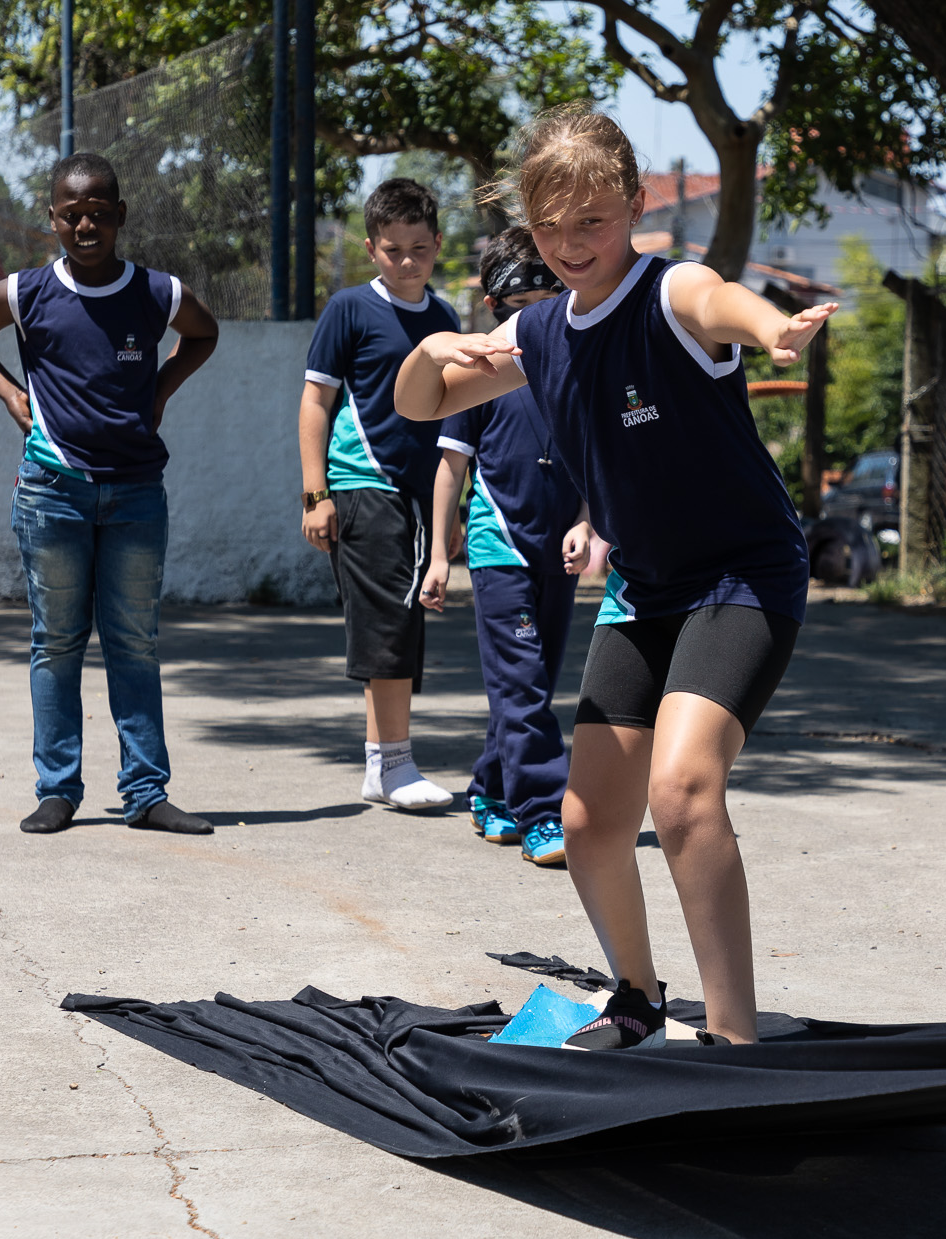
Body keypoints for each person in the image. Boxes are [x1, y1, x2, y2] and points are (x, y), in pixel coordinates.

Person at [394, 104, 835, 1048]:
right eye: (548, 227)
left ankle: (732, 1037)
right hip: (644, 585)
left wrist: (773, 330)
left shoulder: (666, 291)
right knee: (589, 819)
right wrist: (431, 350)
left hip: (740, 576)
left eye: (590, 221)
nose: (569, 244)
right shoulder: (542, 332)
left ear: (634, 205)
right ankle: (635, 998)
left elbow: (718, 301)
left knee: (681, 792)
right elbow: (422, 401)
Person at [0, 151, 220, 836]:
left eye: (99, 212)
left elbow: (204, 334)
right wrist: (11, 392)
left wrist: (159, 388)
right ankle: (57, 789)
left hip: (134, 495)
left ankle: (146, 792)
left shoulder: (157, 291)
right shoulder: (27, 291)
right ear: (54, 220)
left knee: (134, 643)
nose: (86, 224)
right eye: (73, 214)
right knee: (57, 642)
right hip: (52, 494)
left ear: (120, 216)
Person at [420, 227, 587, 866]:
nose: (537, 318)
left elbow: (596, 458)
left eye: (551, 299)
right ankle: (544, 813)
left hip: (560, 552)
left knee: (531, 685)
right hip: (499, 549)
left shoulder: (577, 364)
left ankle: (489, 790)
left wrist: (588, 522)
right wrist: (439, 555)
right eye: (524, 306)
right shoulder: (477, 371)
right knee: (522, 687)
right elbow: (449, 466)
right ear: (495, 307)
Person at [299, 178, 461, 811]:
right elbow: (316, 399)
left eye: (419, 248)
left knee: (405, 622)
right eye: (393, 249)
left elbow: (453, 419)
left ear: (438, 245)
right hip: (363, 487)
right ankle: (392, 766)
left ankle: (385, 763)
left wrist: (452, 511)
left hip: (421, 500)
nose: (407, 261)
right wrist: (317, 495)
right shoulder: (349, 309)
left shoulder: (445, 318)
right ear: (371, 248)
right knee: (388, 625)